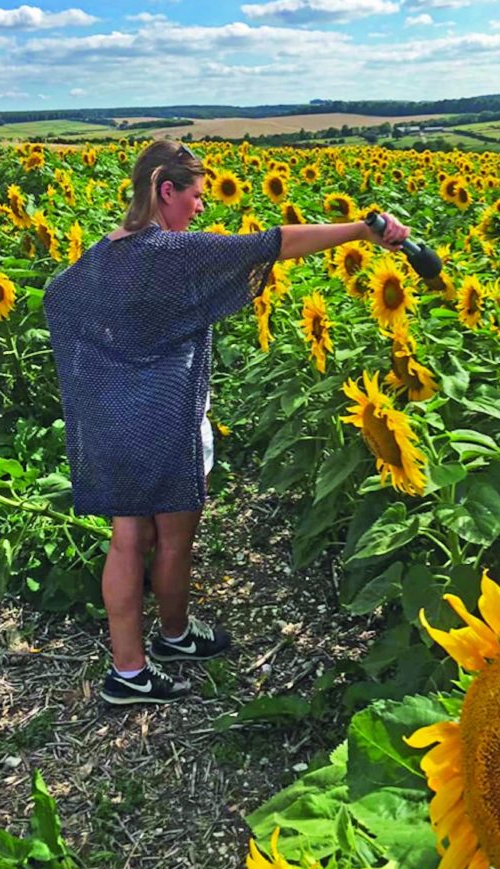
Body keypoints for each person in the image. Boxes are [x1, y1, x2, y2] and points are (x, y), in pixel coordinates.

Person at [43, 140, 410, 705]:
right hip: (165, 418)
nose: (199, 210)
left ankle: (129, 671)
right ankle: (172, 638)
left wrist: (103, 378)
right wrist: (361, 230)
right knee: (174, 540)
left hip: (111, 419)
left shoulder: (97, 258)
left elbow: (56, 301)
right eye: (194, 197)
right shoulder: (171, 251)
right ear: (166, 190)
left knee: (126, 539)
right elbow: (275, 244)